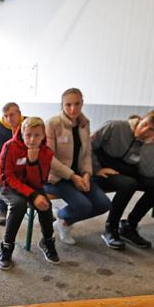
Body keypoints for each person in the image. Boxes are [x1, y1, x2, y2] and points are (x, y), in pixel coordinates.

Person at [91, 110, 154, 250]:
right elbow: (87, 147)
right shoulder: (115, 126)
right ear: (141, 119)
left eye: (151, 129)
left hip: (127, 171)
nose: (145, 130)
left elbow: (150, 173)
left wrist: (148, 146)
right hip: (102, 169)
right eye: (144, 124)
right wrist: (97, 169)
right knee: (128, 184)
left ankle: (129, 226)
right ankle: (111, 228)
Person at [45, 88, 111, 245]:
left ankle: (62, 219)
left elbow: (87, 153)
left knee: (104, 204)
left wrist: (87, 174)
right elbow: (49, 159)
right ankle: (64, 219)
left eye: (77, 104)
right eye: (68, 105)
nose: (73, 109)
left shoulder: (84, 123)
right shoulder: (52, 123)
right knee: (84, 206)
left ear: (83, 103)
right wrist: (73, 176)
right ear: (61, 105)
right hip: (55, 178)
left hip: (78, 176)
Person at [0, 117, 59, 269]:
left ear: (43, 136)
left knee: (46, 205)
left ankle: (48, 242)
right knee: (19, 204)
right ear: (22, 133)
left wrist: (33, 162)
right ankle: (7, 248)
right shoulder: (10, 146)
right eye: (28, 135)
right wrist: (33, 195)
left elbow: (38, 182)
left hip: (30, 184)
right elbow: (6, 177)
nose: (32, 139)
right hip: (5, 183)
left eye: (37, 135)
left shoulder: (46, 152)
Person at [0, 102, 22, 225]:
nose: (9, 119)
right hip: (3, 159)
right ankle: (2, 208)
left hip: (23, 158)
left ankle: (42, 205)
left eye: (12, 115)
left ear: (19, 114)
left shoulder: (27, 124)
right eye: (6, 116)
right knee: (4, 178)